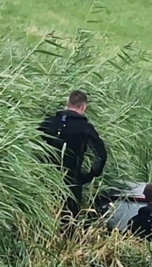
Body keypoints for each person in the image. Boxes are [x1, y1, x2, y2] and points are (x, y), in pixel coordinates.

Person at [37, 90, 108, 228]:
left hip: (46, 179)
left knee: (46, 215)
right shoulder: (85, 128)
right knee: (69, 220)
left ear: (67, 103)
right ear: (83, 107)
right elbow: (101, 156)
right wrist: (89, 176)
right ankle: (65, 245)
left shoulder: (48, 123)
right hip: (72, 181)